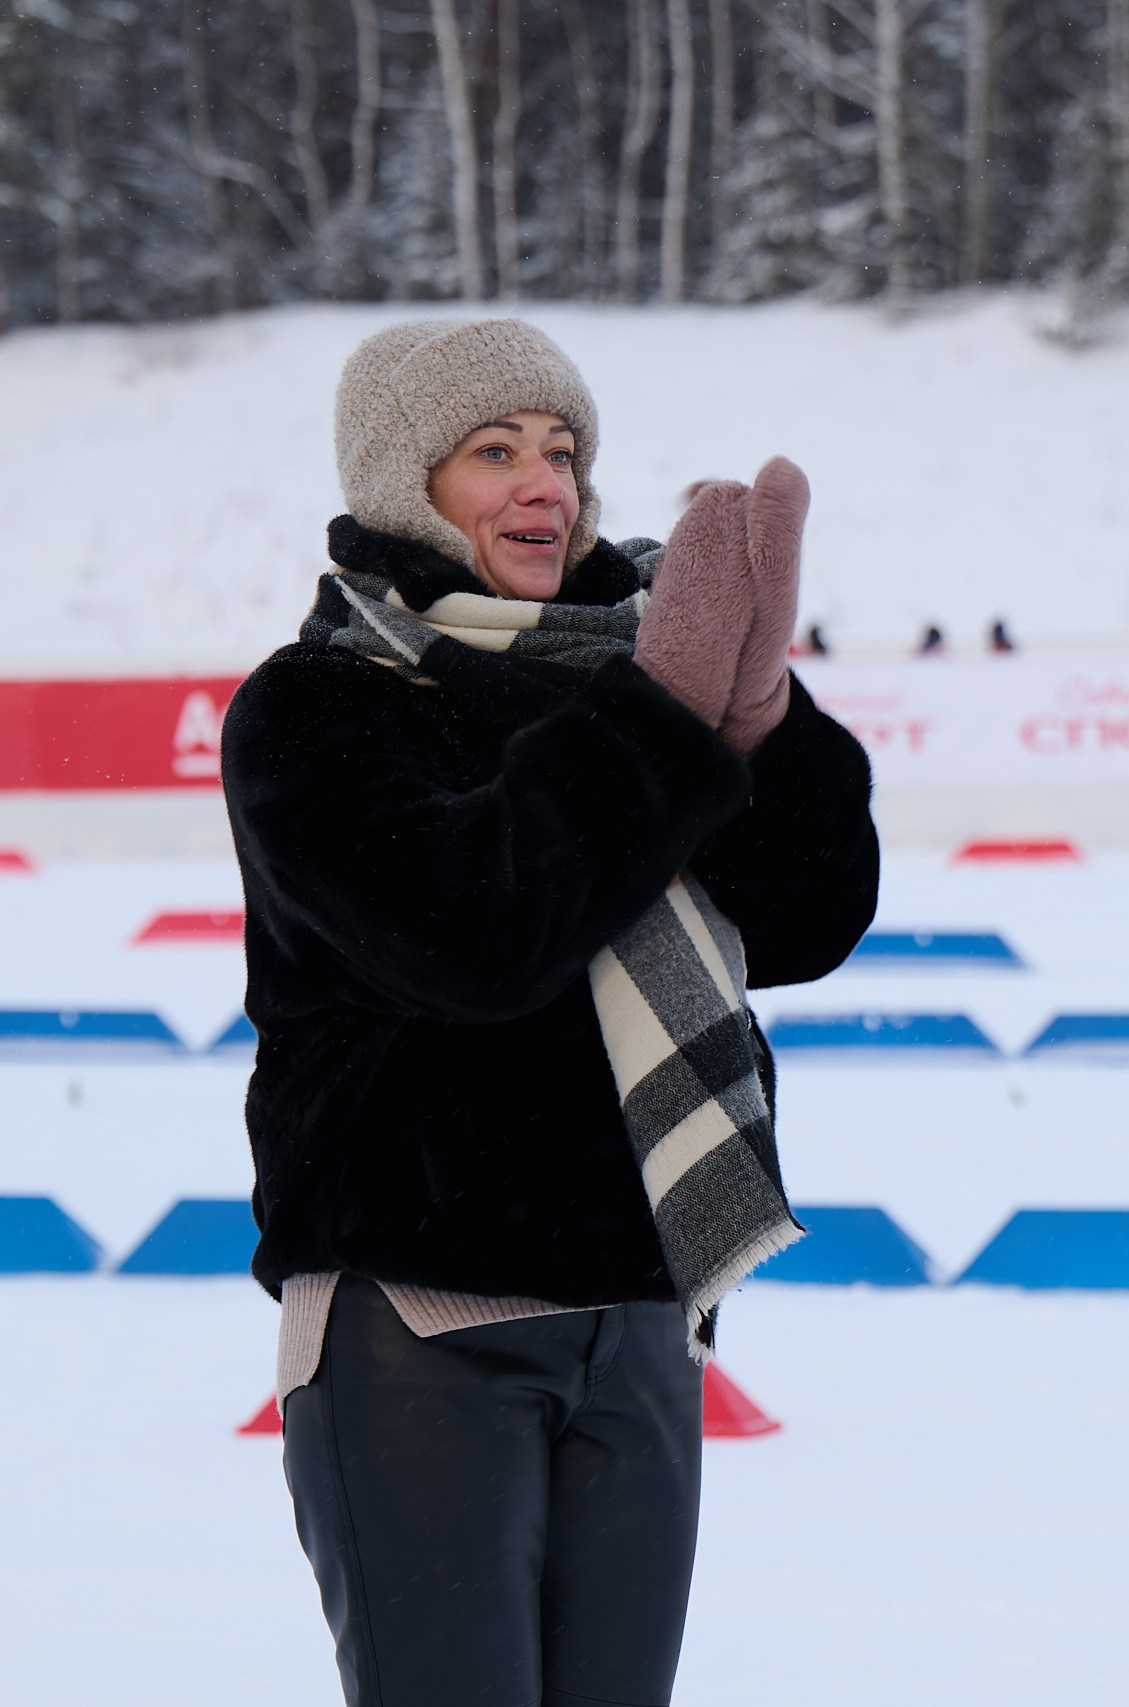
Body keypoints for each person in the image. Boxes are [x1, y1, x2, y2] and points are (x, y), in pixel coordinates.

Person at [219, 318, 879, 1707]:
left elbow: (812, 918)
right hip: (418, 1324)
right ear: (410, 484)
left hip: (639, 1311)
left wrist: (753, 715)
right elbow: (476, 933)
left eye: (565, 452)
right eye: (495, 452)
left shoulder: (639, 672)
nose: (547, 487)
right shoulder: (317, 710)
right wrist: (665, 708)